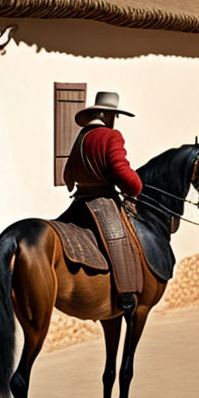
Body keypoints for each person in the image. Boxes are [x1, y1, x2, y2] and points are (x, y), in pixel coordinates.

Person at [62, 91, 143, 312]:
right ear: (107, 115)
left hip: (78, 200)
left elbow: (68, 175)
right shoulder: (111, 136)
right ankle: (126, 294)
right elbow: (120, 170)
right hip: (102, 201)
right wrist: (135, 187)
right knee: (121, 239)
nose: (114, 120)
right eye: (114, 115)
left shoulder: (81, 137)